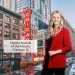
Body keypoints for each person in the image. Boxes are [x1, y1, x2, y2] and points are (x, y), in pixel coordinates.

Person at [41, 10, 72, 75]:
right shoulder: (49, 31)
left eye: (58, 17)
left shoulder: (64, 31)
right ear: (52, 18)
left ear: (60, 19)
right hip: (47, 62)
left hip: (58, 63)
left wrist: (55, 52)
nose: (56, 19)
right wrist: (44, 50)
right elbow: (48, 45)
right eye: (54, 17)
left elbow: (68, 47)